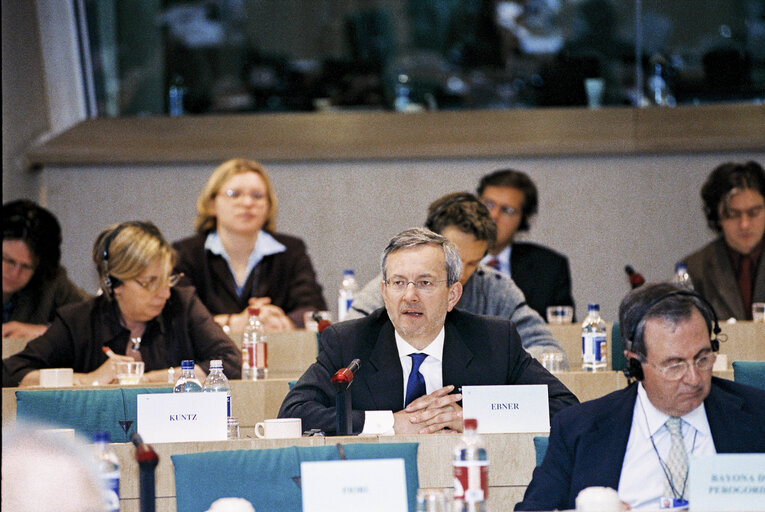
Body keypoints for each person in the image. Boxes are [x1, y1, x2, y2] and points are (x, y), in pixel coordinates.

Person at [279, 227, 578, 435]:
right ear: (383, 292)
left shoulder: (494, 341)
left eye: (424, 283)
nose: (409, 296)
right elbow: (294, 414)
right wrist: (390, 424)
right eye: (398, 283)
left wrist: (472, 418)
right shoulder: (350, 342)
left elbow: (565, 408)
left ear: (452, 295)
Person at [515, 282, 765, 511]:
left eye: (702, 358)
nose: (694, 378)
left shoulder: (758, 415)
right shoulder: (579, 428)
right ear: (635, 364)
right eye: (674, 365)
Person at [3, 221, 241, 386]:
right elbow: (10, 372)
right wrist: (89, 380)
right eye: (150, 282)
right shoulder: (78, 321)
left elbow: (231, 362)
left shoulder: (183, 305)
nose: (165, 293)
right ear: (114, 284)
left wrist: (149, 379)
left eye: (168, 279)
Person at [346, 192, 569, 365]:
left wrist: (481, 366)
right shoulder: (397, 288)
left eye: (472, 263)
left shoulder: (495, 288)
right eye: (455, 260)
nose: (460, 274)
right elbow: (344, 350)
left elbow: (551, 354)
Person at [173, 158, 326, 333]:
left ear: (268, 206)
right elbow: (179, 315)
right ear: (212, 204)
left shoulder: (291, 251)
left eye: (257, 196)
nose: (247, 203)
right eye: (234, 194)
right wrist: (233, 323)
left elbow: (314, 310)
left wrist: (284, 322)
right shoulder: (186, 253)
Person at [476, 169, 575, 320]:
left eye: (507, 210)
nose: (494, 216)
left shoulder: (549, 267)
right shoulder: (447, 259)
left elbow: (564, 333)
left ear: (524, 218)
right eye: (488, 205)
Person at [682, 161, 765, 320]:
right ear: (717, 216)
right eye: (733, 214)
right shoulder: (694, 269)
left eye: (753, 213)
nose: (744, 224)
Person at [3, 200, 88, 339]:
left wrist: (47, 332)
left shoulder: (50, 280)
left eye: (26, 266)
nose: (15, 273)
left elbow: (91, 322)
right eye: (8, 260)